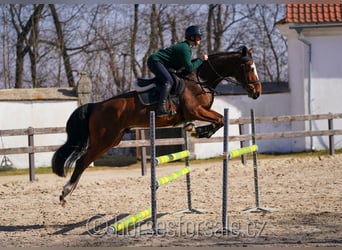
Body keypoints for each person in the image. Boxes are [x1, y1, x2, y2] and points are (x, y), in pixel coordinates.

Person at [147, 25, 208, 117]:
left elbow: (186, 65)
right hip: (155, 61)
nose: (200, 39)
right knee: (168, 81)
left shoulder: (187, 47)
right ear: (192, 37)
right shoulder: (185, 48)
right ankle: (161, 108)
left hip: (162, 63)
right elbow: (190, 68)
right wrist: (201, 60)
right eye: (199, 36)